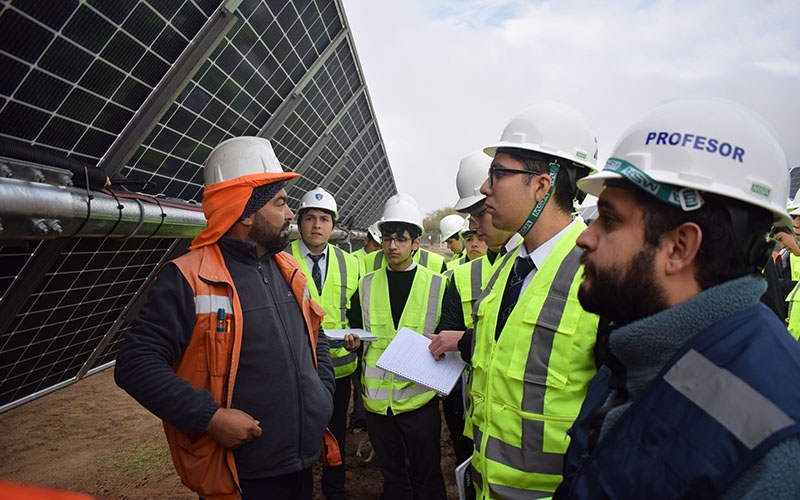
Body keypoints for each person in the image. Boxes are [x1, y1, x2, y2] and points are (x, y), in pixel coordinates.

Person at [555, 98, 800, 498]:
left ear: (679, 248)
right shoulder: (640, 353)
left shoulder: (779, 448)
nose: (586, 235)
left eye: (611, 219)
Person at [114, 136, 340, 500]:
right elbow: (135, 364)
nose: (288, 214)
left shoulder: (288, 268)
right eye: (281, 203)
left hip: (300, 464)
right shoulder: (188, 276)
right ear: (246, 212)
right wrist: (211, 418)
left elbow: (316, 336)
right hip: (242, 477)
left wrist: (322, 395)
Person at [469, 102, 601, 498]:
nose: (484, 188)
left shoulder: (598, 276)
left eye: (498, 174)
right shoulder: (508, 266)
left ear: (542, 185)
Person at [359, 193, 448, 500]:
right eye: (387, 238)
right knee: (393, 478)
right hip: (377, 405)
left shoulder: (437, 285)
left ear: (416, 243)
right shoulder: (367, 284)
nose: (392, 246)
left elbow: (446, 341)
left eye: (400, 239)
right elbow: (360, 331)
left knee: (427, 476)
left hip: (418, 403)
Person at [290, 187, 362, 500]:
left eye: (323, 219)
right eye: (310, 218)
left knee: (336, 434)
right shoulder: (280, 257)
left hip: (339, 370)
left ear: (333, 226)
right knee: (299, 436)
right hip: (297, 370)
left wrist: (356, 340)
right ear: (299, 222)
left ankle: (336, 490)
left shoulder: (351, 264)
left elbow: (357, 313)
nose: (317, 225)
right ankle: (300, 490)